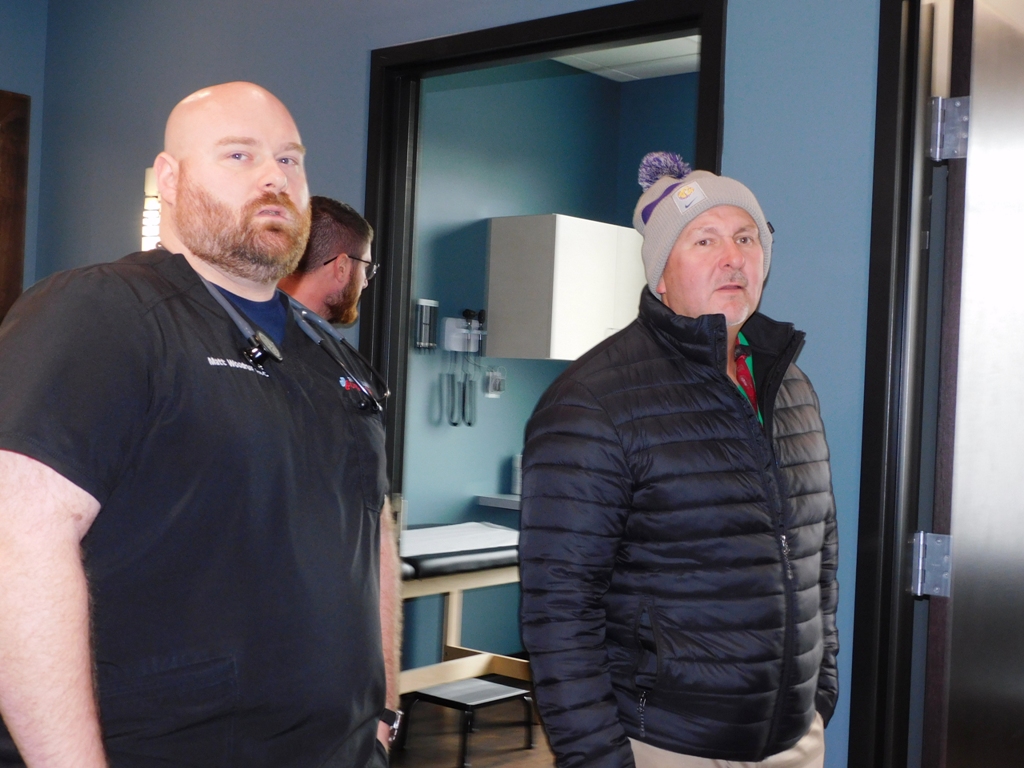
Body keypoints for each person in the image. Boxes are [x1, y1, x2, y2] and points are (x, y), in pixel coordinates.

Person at [0, 82, 397, 767]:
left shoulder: (329, 354)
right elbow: (17, 547)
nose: (274, 176)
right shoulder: (100, 312)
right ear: (170, 179)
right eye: (239, 154)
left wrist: (385, 709)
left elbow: (375, 533)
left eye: (290, 159)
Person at [519, 152, 839, 768]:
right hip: (665, 743)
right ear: (660, 275)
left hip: (792, 740)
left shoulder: (791, 387)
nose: (733, 257)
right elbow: (559, 610)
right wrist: (597, 756)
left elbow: (817, 555)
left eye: (746, 237)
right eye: (705, 239)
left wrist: (819, 691)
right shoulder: (593, 400)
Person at [277, 195, 401, 734]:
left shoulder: (341, 364)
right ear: (343, 266)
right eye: (367, 267)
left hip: (337, 648)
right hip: (294, 644)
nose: (367, 282)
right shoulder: (264, 353)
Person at [278, 195, 375, 326]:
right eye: (365, 267)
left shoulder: (255, 324)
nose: (365, 283)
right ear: (341, 268)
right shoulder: (292, 335)